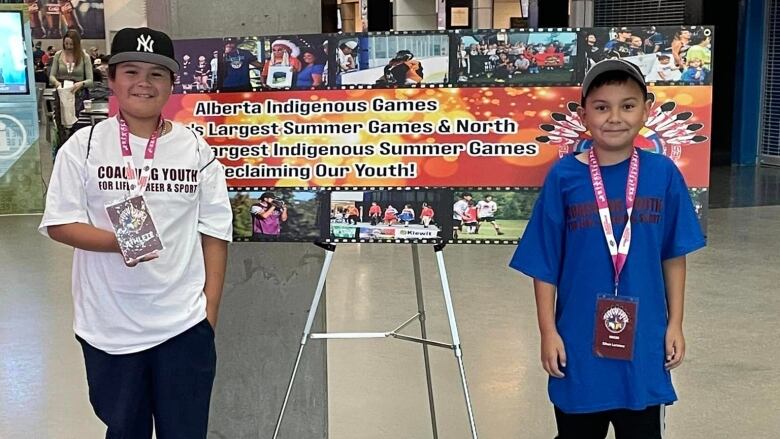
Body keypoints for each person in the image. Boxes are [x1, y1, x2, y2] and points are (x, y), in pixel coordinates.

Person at [38, 27, 232, 438]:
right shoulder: (84, 146)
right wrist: (120, 241)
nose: (143, 83)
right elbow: (58, 222)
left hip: (182, 325)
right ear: (111, 80)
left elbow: (214, 232)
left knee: (186, 432)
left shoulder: (196, 149)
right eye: (130, 71)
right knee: (125, 430)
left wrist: (208, 312)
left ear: (171, 84)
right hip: (108, 324)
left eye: (157, 74)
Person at [509, 59, 705, 439]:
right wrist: (548, 332)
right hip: (579, 342)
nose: (615, 117)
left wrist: (675, 323)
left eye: (627, 105)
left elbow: (673, 255)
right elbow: (545, 264)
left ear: (646, 110)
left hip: (644, 340)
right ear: (584, 115)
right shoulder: (564, 177)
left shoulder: (663, 174)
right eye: (601, 107)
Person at [49, 30, 94, 146]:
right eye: (66, 44)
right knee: (62, 125)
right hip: (62, 93)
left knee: (77, 125)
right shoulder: (58, 55)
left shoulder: (85, 57)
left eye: (71, 44)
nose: (68, 47)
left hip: (78, 94)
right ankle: (62, 149)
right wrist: (57, 83)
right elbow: (52, 76)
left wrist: (80, 84)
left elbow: (90, 80)